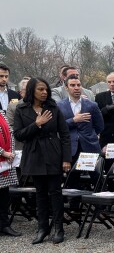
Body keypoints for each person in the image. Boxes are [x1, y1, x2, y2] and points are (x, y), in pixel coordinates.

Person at [13, 77, 71, 244]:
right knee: (40, 194)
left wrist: (66, 158)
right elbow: (18, 135)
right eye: (40, 89)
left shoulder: (54, 107)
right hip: (34, 154)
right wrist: (36, 124)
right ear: (32, 90)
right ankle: (42, 228)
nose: (44, 92)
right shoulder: (21, 109)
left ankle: (59, 229)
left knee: (55, 192)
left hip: (53, 152)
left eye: (46, 89)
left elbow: (65, 134)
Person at [58, 76, 104, 160]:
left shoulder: (92, 105)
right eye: (72, 85)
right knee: (72, 173)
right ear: (66, 88)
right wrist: (73, 120)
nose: (76, 88)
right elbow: (57, 127)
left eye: (79, 85)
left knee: (95, 172)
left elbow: (99, 126)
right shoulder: (59, 106)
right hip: (70, 149)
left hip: (90, 147)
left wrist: (90, 134)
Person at [0, 110, 21, 236]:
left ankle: (4, 225)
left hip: (5, 163)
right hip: (3, 156)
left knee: (3, 196)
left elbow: (10, 134)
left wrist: (10, 153)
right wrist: (3, 153)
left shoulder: (2, 113)